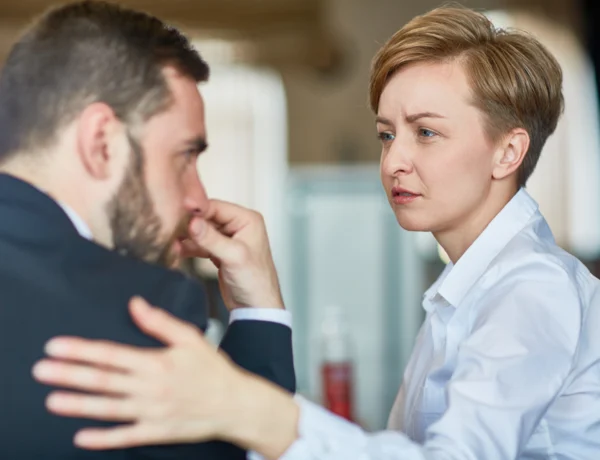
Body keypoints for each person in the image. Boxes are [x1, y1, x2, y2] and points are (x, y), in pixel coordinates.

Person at [32, 5, 600, 460]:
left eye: (426, 133)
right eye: (386, 135)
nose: (394, 161)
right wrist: (259, 304)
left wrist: (244, 405)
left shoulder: (531, 288)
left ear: (508, 151)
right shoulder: (470, 287)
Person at [0, 1, 295, 459]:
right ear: (101, 142)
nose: (199, 198)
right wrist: (259, 315)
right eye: (185, 156)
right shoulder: (143, 311)